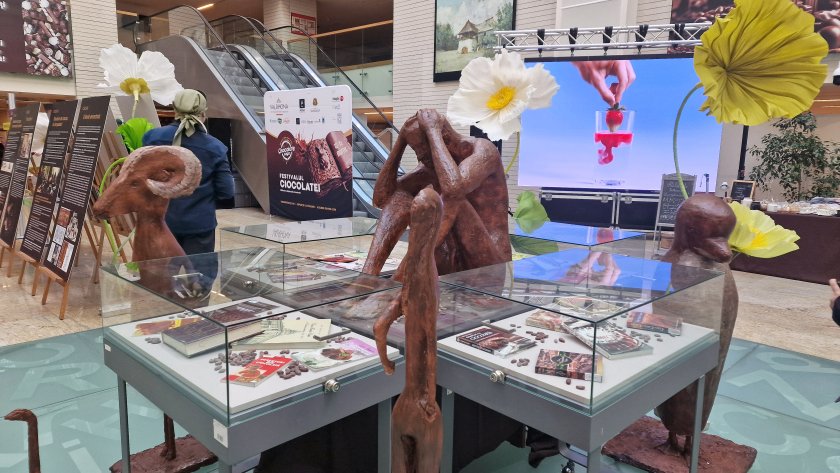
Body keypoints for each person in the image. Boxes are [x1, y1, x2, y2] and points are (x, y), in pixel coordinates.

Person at [142, 89, 234, 256]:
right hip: (199, 224)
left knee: (164, 272)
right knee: (198, 272)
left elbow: (142, 178)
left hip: (161, 222)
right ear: (203, 113)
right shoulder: (216, 147)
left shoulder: (152, 138)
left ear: (175, 110)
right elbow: (226, 191)